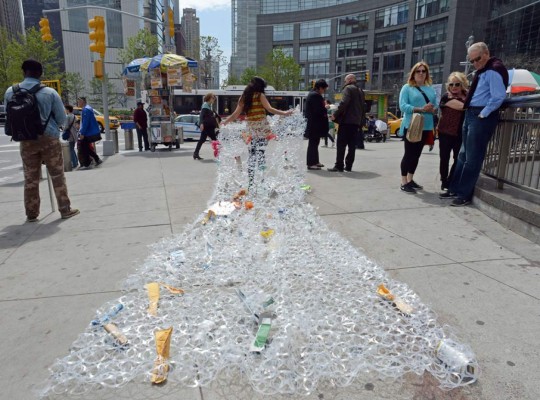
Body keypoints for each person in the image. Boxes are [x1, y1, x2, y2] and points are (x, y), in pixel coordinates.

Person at [3, 59, 79, 222]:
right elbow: (61, 120)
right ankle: (65, 209)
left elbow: (10, 117)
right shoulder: (49, 93)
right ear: (40, 74)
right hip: (48, 138)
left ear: (24, 72)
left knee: (30, 177)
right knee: (57, 174)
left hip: (26, 139)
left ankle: (31, 213)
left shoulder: (11, 91)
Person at [440, 42, 508, 206]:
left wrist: (483, 114)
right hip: (472, 113)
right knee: (463, 156)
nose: (475, 63)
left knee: (472, 158)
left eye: (477, 59)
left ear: (486, 53)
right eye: (472, 61)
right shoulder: (483, 71)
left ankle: (463, 194)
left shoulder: (493, 70)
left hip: (480, 115)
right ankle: (455, 189)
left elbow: (498, 97)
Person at [222, 76, 293, 186]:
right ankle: (261, 180)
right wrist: (285, 113)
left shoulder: (244, 97)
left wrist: (225, 121)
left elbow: (236, 114)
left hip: (251, 130)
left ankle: (251, 181)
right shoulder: (260, 95)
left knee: (252, 155)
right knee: (261, 154)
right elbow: (270, 109)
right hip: (262, 129)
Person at [398, 62, 438, 193]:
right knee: (409, 154)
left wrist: (432, 109)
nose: (421, 73)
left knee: (416, 155)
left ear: (427, 74)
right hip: (411, 125)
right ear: (413, 73)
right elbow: (403, 106)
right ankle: (404, 181)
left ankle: (410, 179)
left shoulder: (430, 88)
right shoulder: (407, 87)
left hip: (426, 126)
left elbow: (436, 105)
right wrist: (421, 109)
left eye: (423, 71)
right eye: (418, 71)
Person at [437, 72, 469, 191]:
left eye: (457, 84)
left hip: (461, 133)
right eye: (451, 84)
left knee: (458, 158)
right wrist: (470, 103)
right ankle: (444, 181)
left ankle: (451, 179)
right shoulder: (446, 97)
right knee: (444, 158)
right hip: (445, 132)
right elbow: (463, 106)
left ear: (463, 84)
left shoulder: (468, 96)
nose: (454, 87)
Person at [327, 74, 365, 172]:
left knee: (341, 144)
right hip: (356, 122)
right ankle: (349, 166)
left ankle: (339, 165)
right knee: (352, 145)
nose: (344, 83)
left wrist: (335, 114)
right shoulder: (360, 91)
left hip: (346, 121)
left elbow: (344, 103)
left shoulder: (348, 89)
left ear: (349, 80)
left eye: (345, 81)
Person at [304, 79, 329, 170]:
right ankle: (311, 163)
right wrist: (326, 107)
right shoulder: (315, 96)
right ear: (320, 88)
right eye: (324, 89)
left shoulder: (313, 94)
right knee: (313, 144)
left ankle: (315, 161)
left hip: (313, 124)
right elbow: (318, 110)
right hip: (314, 124)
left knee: (315, 143)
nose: (324, 91)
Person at [77, 96, 102, 167]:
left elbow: (85, 123)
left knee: (84, 147)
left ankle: (89, 162)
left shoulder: (86, 110)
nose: (78, 103)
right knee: (85, 147)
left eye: (79, 101)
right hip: (89, 132)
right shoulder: (88, 109)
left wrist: (82, 133)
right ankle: (93, 160)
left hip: (88, 132)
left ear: (83, 101)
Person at [193, 93, 219, 160]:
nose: (214, 99)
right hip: (207, 127)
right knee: (215, 140)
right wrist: (201, 123)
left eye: (214, 98)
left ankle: (195, 153)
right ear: (209, 98)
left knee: (202, 140)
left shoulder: (209, 106)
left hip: (208, 126)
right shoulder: (205, 105)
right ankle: (219, 154)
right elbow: (202, 115)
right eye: (213, 98)